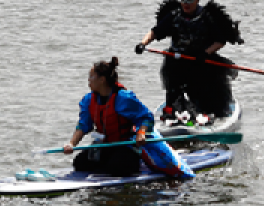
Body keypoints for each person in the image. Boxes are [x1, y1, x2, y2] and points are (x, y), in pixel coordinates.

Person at [63, 57, 191, 179]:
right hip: (104, 145)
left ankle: (136, 163)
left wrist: (141, 134)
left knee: (118, 167)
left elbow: (146, 117)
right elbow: (83, 125)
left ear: (102, 80)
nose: (88, 80)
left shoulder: (123, 98)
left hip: (126, 145)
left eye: (91, 76)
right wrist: (71, 144)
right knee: (79, 163)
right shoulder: (88, 100)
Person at [135, 0, 243, 120]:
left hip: (201, 62)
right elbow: (155, 32)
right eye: (183, 0)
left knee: (206, 94)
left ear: (197, 0)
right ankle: (174, 113)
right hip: (177, 62)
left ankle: (207, 113)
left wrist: (205, 53)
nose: (186, 3)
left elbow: (220, 41)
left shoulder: (208, 17)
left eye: (190, 0)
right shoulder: (174, 15)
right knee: (174, 90)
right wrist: (142, 43)